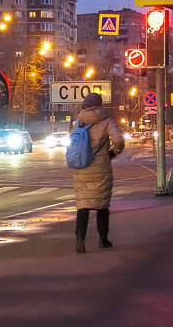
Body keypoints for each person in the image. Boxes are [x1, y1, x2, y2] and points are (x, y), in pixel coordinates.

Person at [71, 92, 125, 253]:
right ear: (99, 105)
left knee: (83, 205)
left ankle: (80, 239)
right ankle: (103, 240)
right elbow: (119, 140)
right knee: (101, 206)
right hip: (101, 167)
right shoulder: (106, 120)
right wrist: (114, 152)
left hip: (81, 166)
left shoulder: (79, 122)